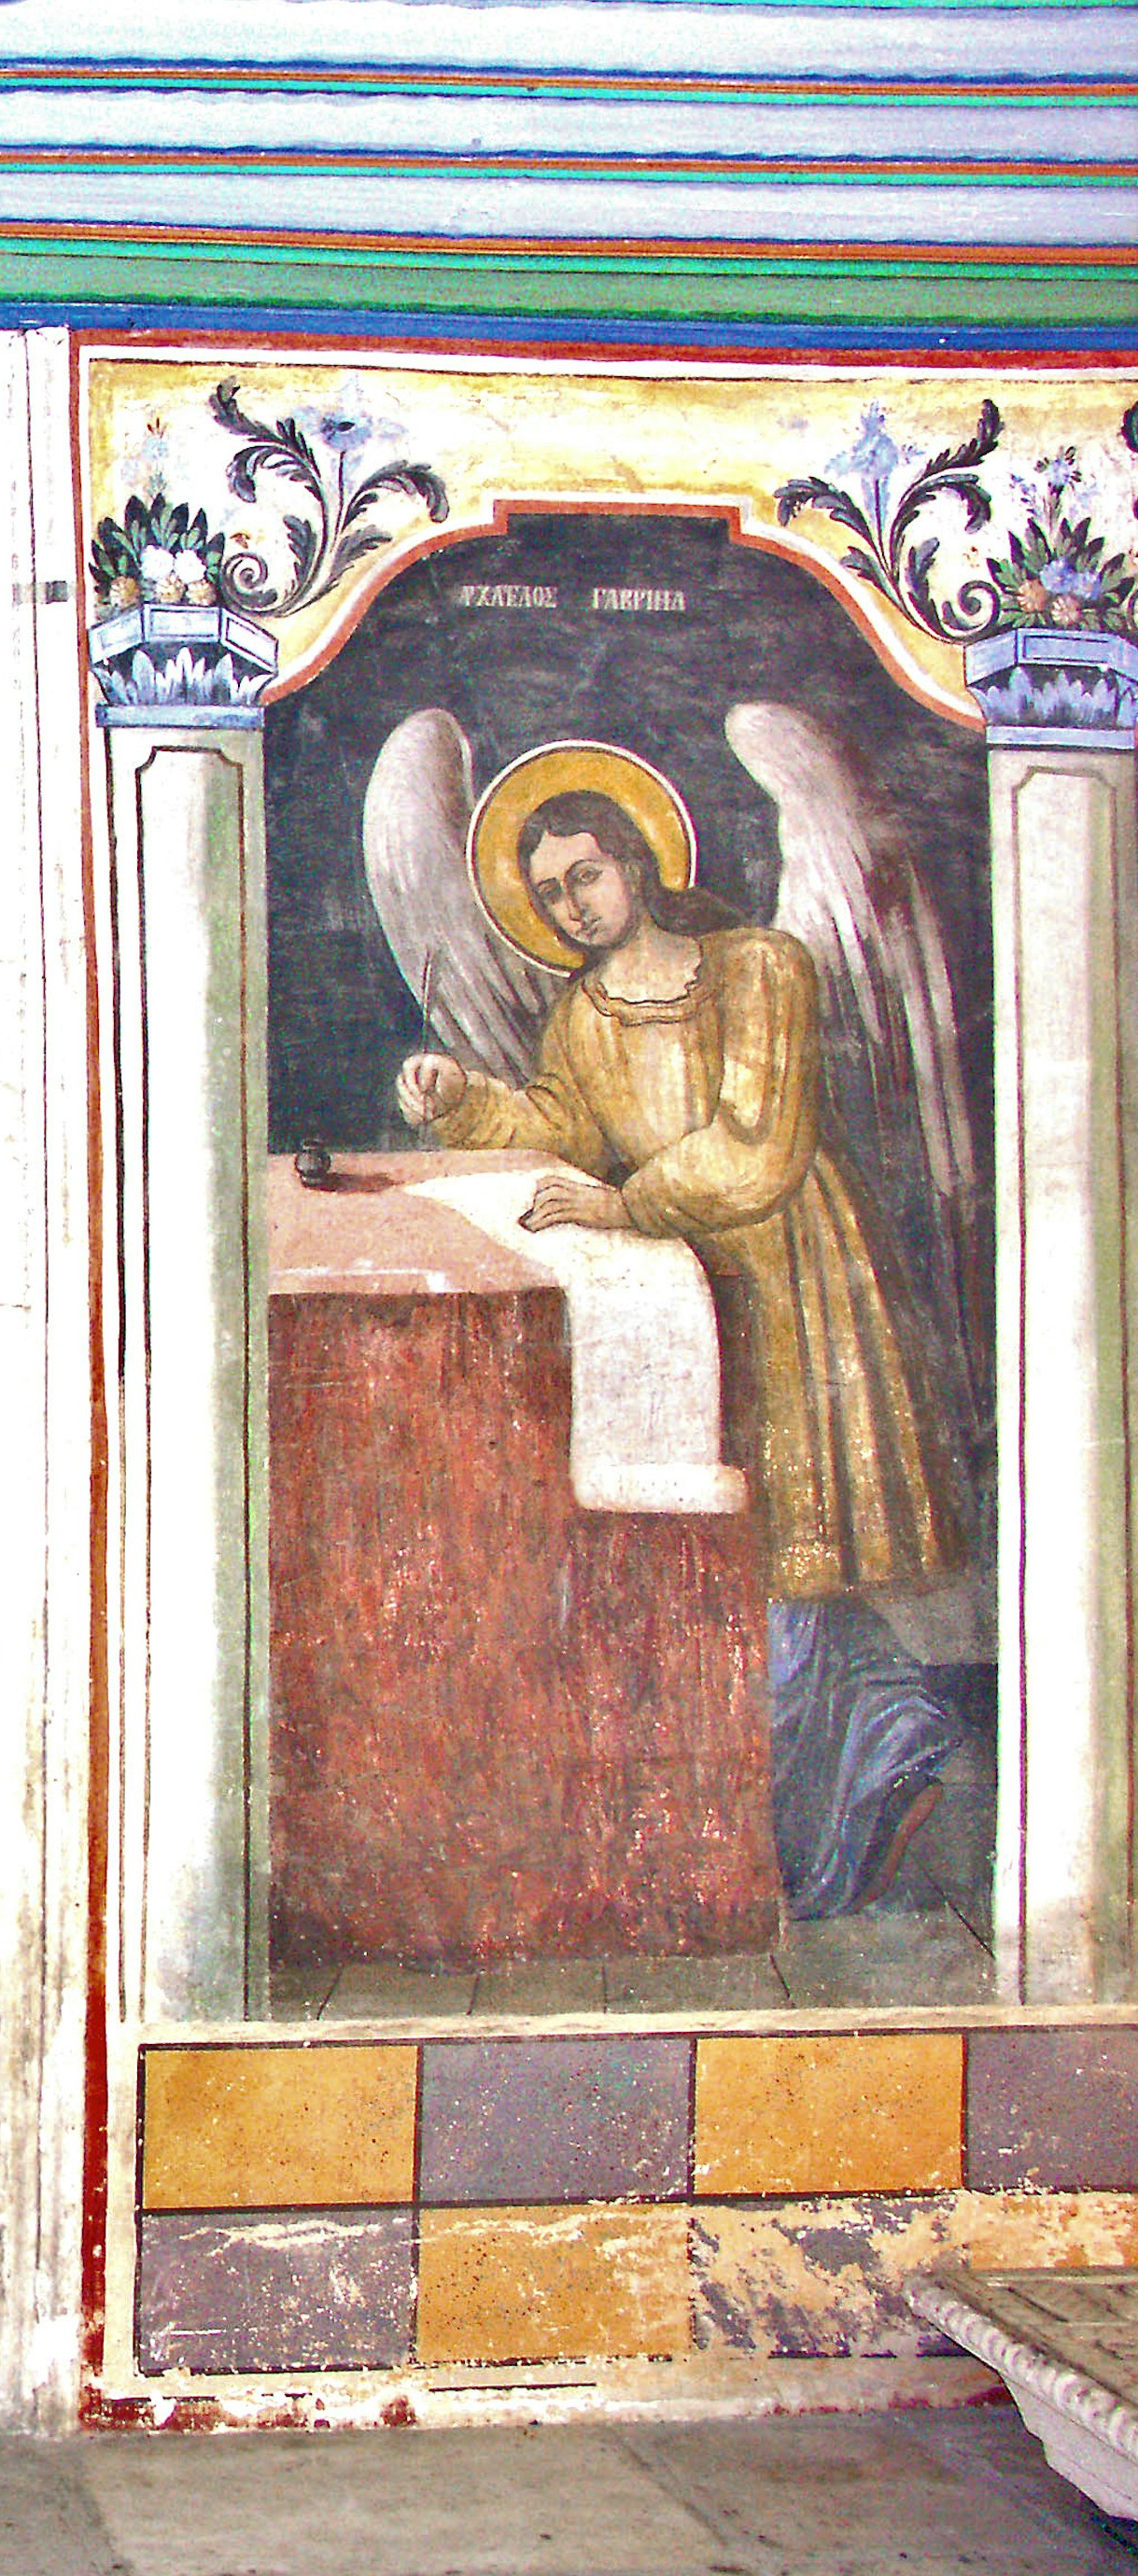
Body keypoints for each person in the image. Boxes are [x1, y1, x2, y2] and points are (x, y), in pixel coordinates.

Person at [400, 775, 968, 1915]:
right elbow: (563, 1126)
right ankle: (874, 1759)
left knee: (785, 1551)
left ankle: (805, 1842)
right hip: (695, 1290)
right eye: (551, 892)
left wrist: (623, 1206)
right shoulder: (583, 1012)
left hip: (795, 1278)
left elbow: (759, 1146)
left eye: (587, 875)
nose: (571, 905)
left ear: (638, 862)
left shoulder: (761, 967)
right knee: (745, 1549)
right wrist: (464, 1099)